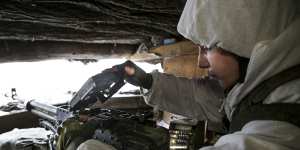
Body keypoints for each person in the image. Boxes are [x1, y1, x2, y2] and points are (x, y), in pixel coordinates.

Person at [78, 0, 300, 149]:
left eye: (206, 48)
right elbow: (205, 98)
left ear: (244, 44)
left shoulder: (280, 129)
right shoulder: (269, 90)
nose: (201, 62)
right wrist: (147, 81)